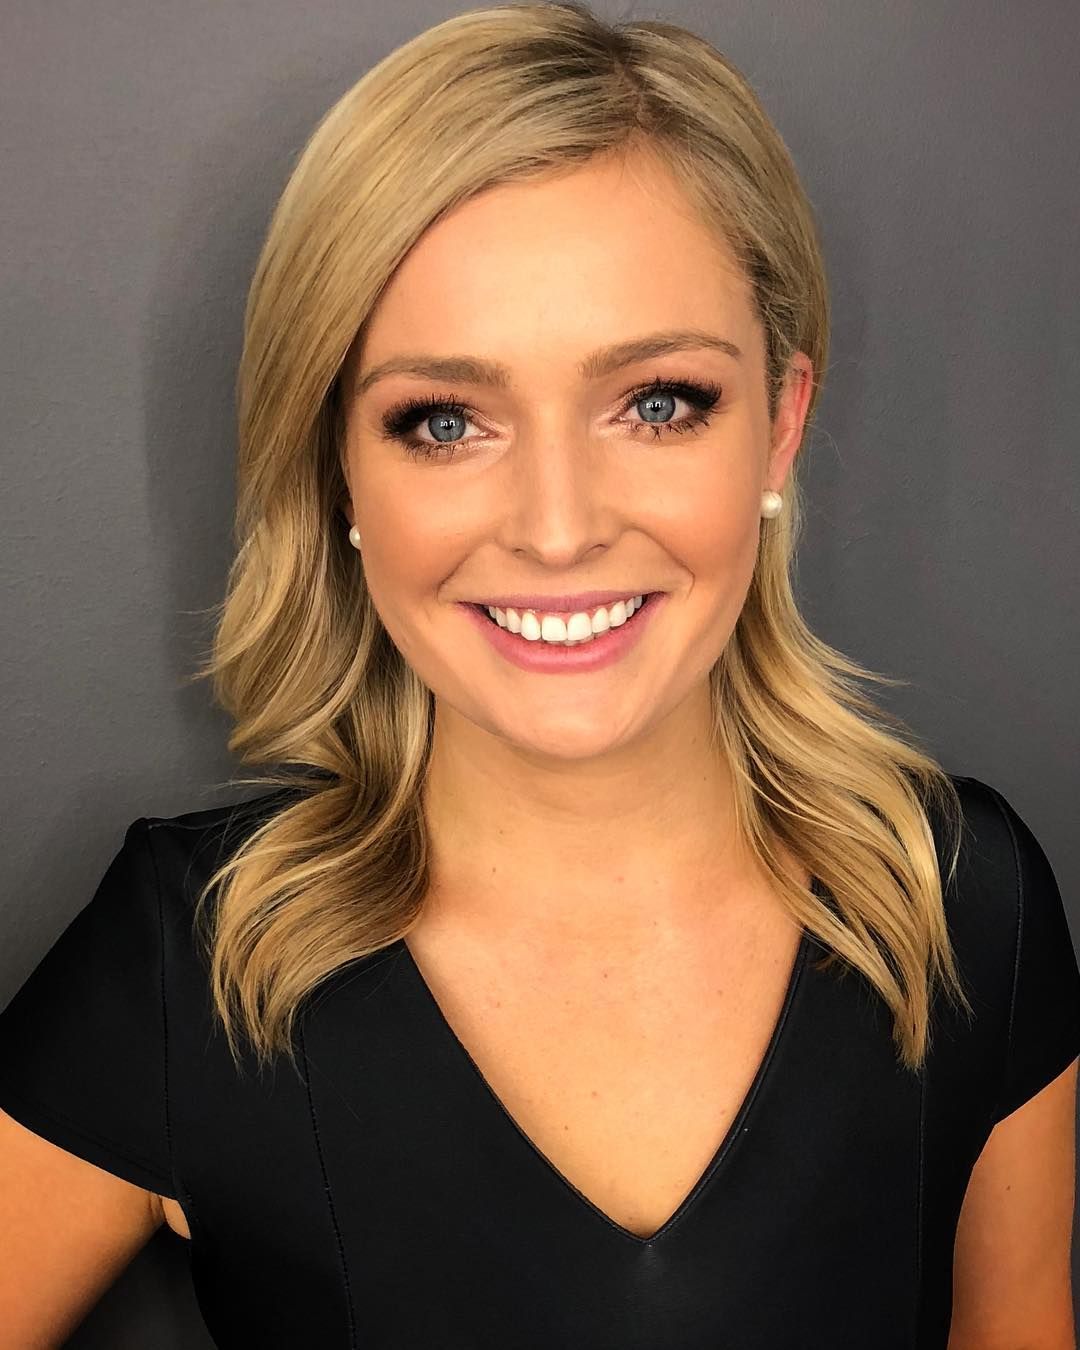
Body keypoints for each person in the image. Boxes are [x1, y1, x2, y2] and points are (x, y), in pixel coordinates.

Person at [1, 3, 1078, 1346]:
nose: (558, 528)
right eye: (444, 421)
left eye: (658, 402)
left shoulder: (961, 904)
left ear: (780, 424)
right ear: (339, 468)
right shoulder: (195, 965)